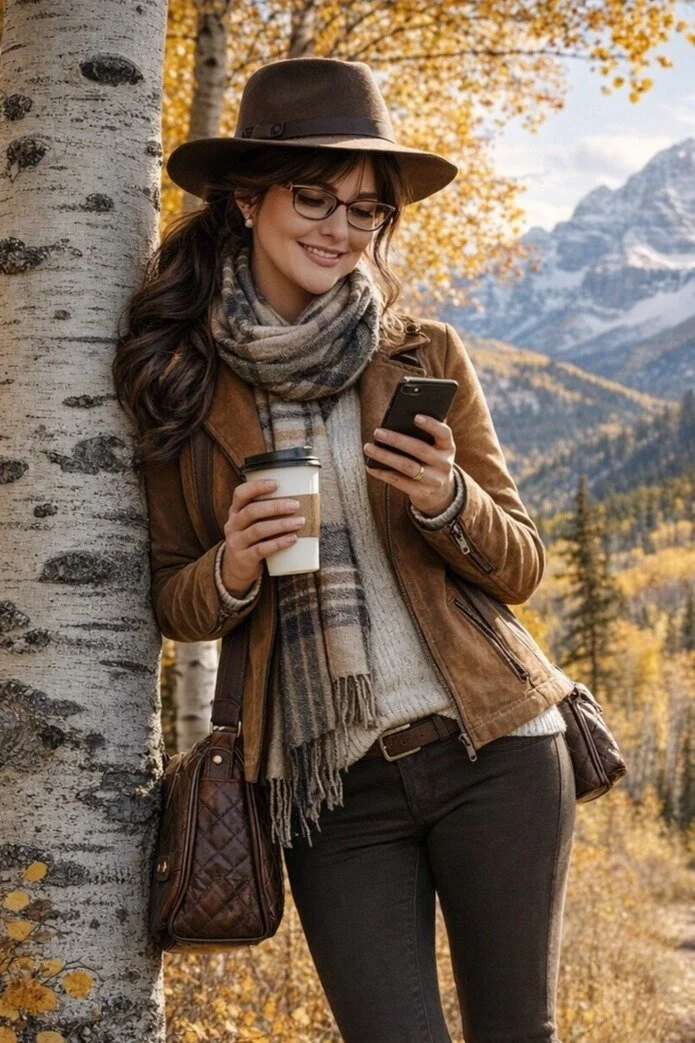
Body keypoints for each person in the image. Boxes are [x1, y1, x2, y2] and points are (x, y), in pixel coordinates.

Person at [114, 56, 577, 1043]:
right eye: (313, 196)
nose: (338, 228)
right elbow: (171, 596)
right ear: (247, 199)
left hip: (494, 746)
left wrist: (447, 498)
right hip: (327, 787)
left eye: (365, 210)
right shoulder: (183, 380)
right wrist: (232, 562)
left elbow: (521, 565)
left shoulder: (424, 353)